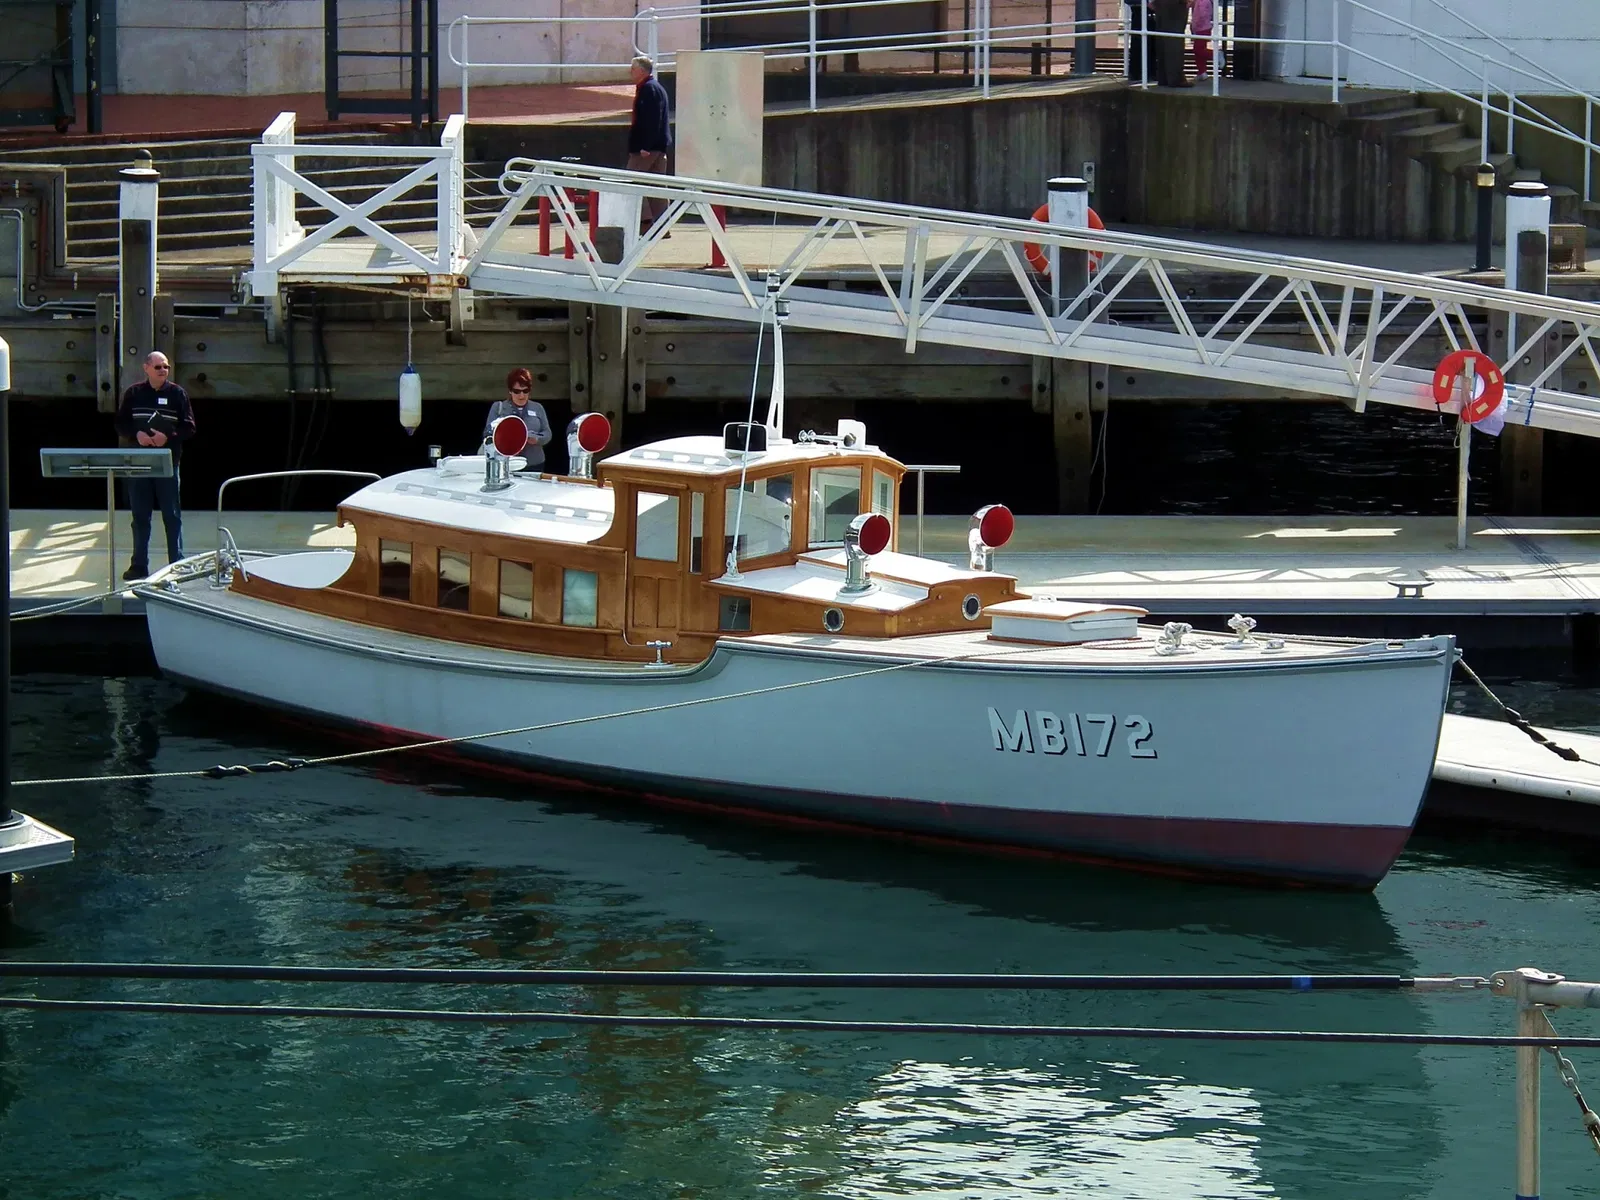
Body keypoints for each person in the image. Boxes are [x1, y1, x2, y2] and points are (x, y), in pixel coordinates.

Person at [114, 350, 195, 581]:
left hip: (168, 464)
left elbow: (189, 427)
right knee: (140, 517)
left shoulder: (178, 394)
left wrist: (168, 437)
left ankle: (176, 564)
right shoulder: (134, 393)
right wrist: (136, 433)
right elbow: (120, 423)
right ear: (146, 368)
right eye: (158, 367)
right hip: (140, 464)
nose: (163, 371)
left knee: (172, 515)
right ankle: (139, 565)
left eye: (166, 367)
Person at [627, 54, 673, 232]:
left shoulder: (648, 89)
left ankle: (645, 223)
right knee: (656, 186)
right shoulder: (656, 88)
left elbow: (651, 120)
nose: (630, 72)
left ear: (641, 70)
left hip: (647, 148)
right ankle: (663, 226)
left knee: (631, 180)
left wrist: (645, 145)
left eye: (633, 68)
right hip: (658, 147)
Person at [483, 368, 553, 472]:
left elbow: (547, 433)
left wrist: (537, 439)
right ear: (510, 391)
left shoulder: (538, 407)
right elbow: (487, 435)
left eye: (525, 391)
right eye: (517, 391)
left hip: (534, 464)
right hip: (507, 464)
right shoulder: (498, 408)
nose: (521, 395)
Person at [1190, 0, 1215, 79]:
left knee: (1198, 50)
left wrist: (1194, 26)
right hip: (1203, 28)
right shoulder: (1202, 1)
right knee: (1198, 50)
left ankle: (1216, 54)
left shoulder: (1202, 1)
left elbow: (1202, 15)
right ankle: (1202, 72)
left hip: (1201, 29)